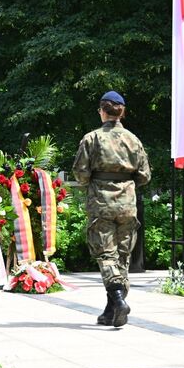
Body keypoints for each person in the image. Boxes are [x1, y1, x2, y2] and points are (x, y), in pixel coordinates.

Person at [72, 91, 151, 327]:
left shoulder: (92, 138)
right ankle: (111, 311)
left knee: (106, 255)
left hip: (101, 203)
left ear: (102, 112)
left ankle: (117, 300)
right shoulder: (133, 140)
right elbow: (145, 175)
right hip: (127, 204)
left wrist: (97, 180)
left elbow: (80, 173)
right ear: (122, 112)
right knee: (122, 257)